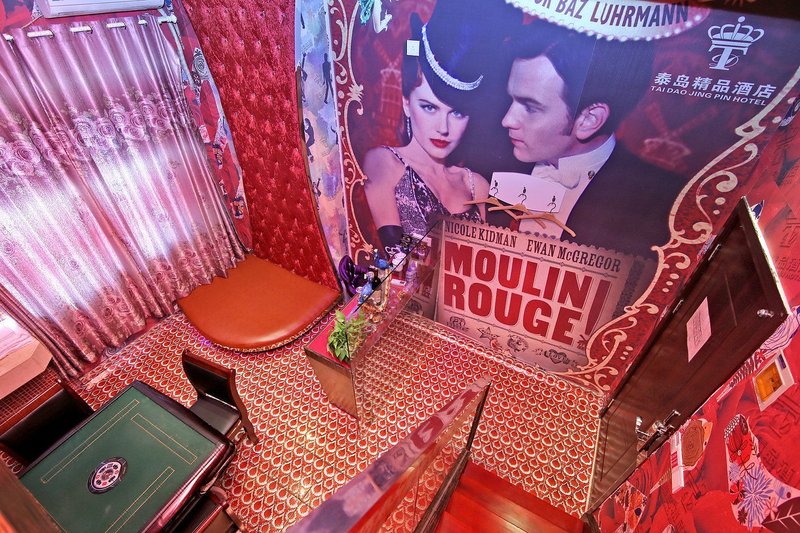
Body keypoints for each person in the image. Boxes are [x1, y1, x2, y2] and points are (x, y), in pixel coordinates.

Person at [492, 24, 685, 259]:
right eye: (511, 99)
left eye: (531, 107)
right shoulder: (482, 161)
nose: (507, 120)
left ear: (589, 120)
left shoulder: (667, 207)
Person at [363, 7, 490, 253]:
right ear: (406, 104)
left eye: (457, 113)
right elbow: (396, 250)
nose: (443, 128)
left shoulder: (476, 185)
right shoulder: (384, 163)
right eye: (429, 107)